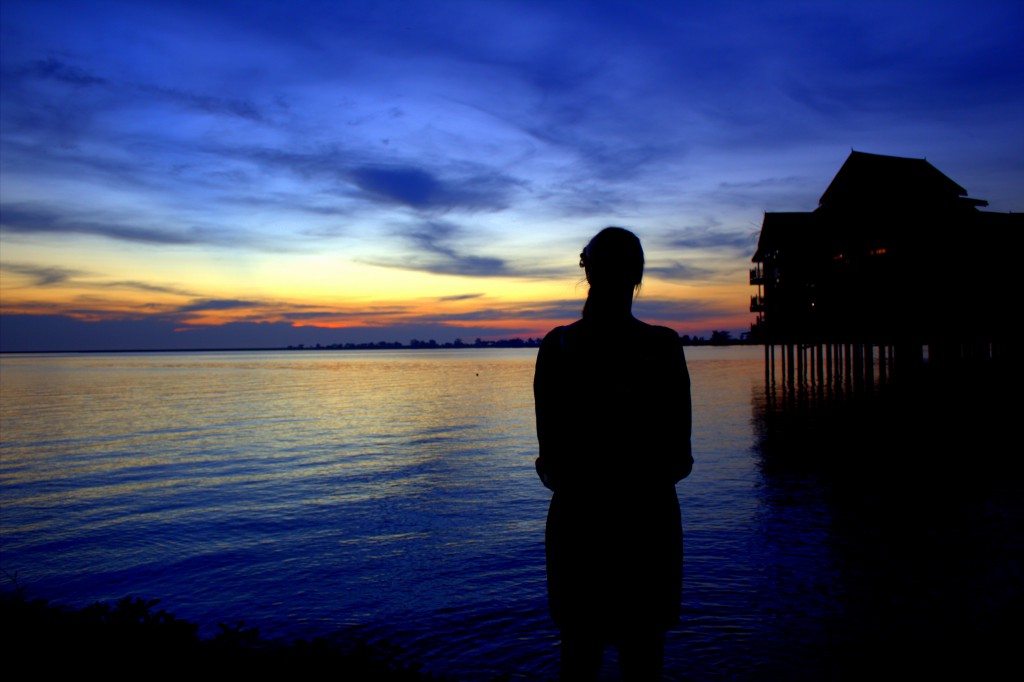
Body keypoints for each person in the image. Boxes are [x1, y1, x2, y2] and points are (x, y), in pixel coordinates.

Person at [533, 227, 693, 680]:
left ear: (589, 273)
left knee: (579, 658)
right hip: (649, 527)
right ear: (637, 278)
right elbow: (679, 460)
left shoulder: (558, 347)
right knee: (644, 663)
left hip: (578, 527)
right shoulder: (663, 347)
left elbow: (551, 463)